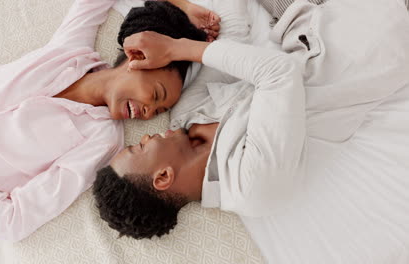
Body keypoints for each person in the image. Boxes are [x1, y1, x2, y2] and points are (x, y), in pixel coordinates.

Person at [93, 0, 409, 262]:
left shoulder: (185, 118)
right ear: (162, 177)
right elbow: (278, 73)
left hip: (303, 19)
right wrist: (177, 48)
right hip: (372, 38)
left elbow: (234, 38)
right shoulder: (253, 184)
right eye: (139, 148)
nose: (145, 136)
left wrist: (190, 14)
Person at [0, 0, 220, 258]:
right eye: (156, 96)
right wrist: (183, 6)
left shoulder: (101, 140)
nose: (148, 114)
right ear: (136, 56)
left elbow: (12, 222)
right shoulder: (69, 51)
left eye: (158, 112)